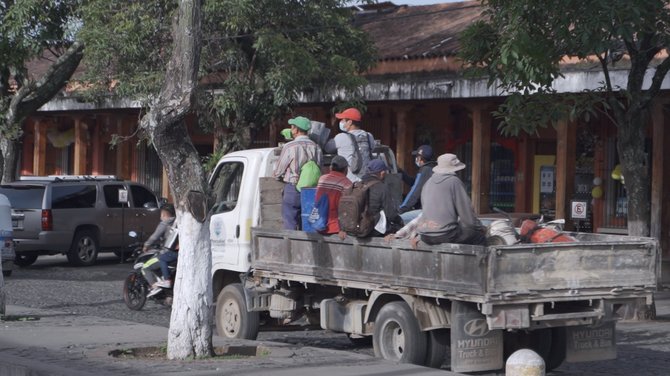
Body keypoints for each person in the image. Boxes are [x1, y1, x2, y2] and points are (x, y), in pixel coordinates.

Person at [415, 153, 486, 246]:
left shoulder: (428, 182)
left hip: (425, 235)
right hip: (445, 234)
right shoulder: (454, 181)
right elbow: (467, 215)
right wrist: (480, 227)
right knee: (479, 237)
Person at [273, 116, 323, 230]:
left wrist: (276, 175)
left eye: (292, 127)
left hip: (293, 188)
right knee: (308, 222)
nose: (291, 130)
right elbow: (319, 167)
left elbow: (279, 171)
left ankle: (291, 246)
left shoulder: (290, 146)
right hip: (311, 190)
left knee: (289, 221)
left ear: (295, 130)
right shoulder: (316, 147)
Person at [324, 107, 375, 183]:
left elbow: (327, 148)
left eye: (343, 120)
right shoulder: (369, 136)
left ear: (350, 122)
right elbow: (372, 150)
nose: (341, 122)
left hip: (350, 182)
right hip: (367, 181)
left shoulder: (341, 137)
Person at [143, 203, 178, 297]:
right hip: (178, 253)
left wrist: (146, 245)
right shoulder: (178, 222)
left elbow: (155, 236)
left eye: (161, 214)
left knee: (145, 267)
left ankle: (154, 286)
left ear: (164, 215)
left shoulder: (164, 223)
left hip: (168, 252)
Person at [362, 159, 403, 236]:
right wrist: (400, 222)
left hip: (358, 227)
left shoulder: (358, 184)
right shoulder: (382, 188)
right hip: (373, 230)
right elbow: (391, 214)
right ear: (382, 173)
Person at [398, 145, 436, 224]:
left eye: (417, 156)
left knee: (398, 219)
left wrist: (402, 209)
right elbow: (414, 182)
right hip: (435, 209)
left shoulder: (424, 170)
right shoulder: (432, 168)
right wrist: (401, 173)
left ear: (420, 158)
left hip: (427, 212)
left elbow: (415, 192)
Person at [315, 156, 353, 235]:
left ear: (331, 167)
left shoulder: (322, 179)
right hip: (336, 227)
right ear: (345, 169)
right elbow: (347, 208)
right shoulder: (347, 184)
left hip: (319, 223)